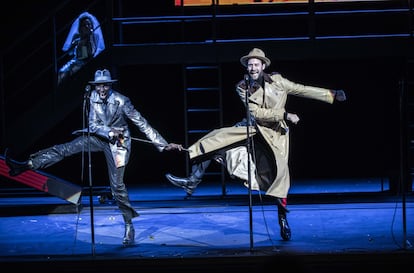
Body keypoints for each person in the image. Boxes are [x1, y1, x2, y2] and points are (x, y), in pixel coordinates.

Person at [165, 48, 346, 241]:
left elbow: (301, 89)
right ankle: (193, 180)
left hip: (275, 134)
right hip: (253, 128)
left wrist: (330, 95)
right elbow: (256, 114)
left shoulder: (278, 81)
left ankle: (282, 219)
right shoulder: (242, 87)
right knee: (216, 139)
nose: (252, 68)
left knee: (280, 175)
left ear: (263, 66)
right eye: (250, 65)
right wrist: (285, 114)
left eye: (256, 65)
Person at [5, 68, 184, 246]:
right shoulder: (92, 97)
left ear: (110, 85)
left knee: (117, 186)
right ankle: (26, 165)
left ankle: (129, 225)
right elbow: (92, 123)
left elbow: (141, 123)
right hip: (99, 138)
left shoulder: (122, 101)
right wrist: (108, 131)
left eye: (105, 86)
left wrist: (162, 143)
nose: (101, 90)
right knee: (65, 148)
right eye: (98, 86)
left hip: (119, 144)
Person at [58, 12, 105, 85]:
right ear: (80, 27)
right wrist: (74, 44)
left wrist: (86, 39)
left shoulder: (94, 36)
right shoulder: (77, 36)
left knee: (76, 71)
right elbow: (70, 52)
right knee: (62, 72)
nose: (87, 26)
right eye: (84, 25)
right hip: (77, 60)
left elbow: (88, 54)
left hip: (89, 61)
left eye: (89, 24)